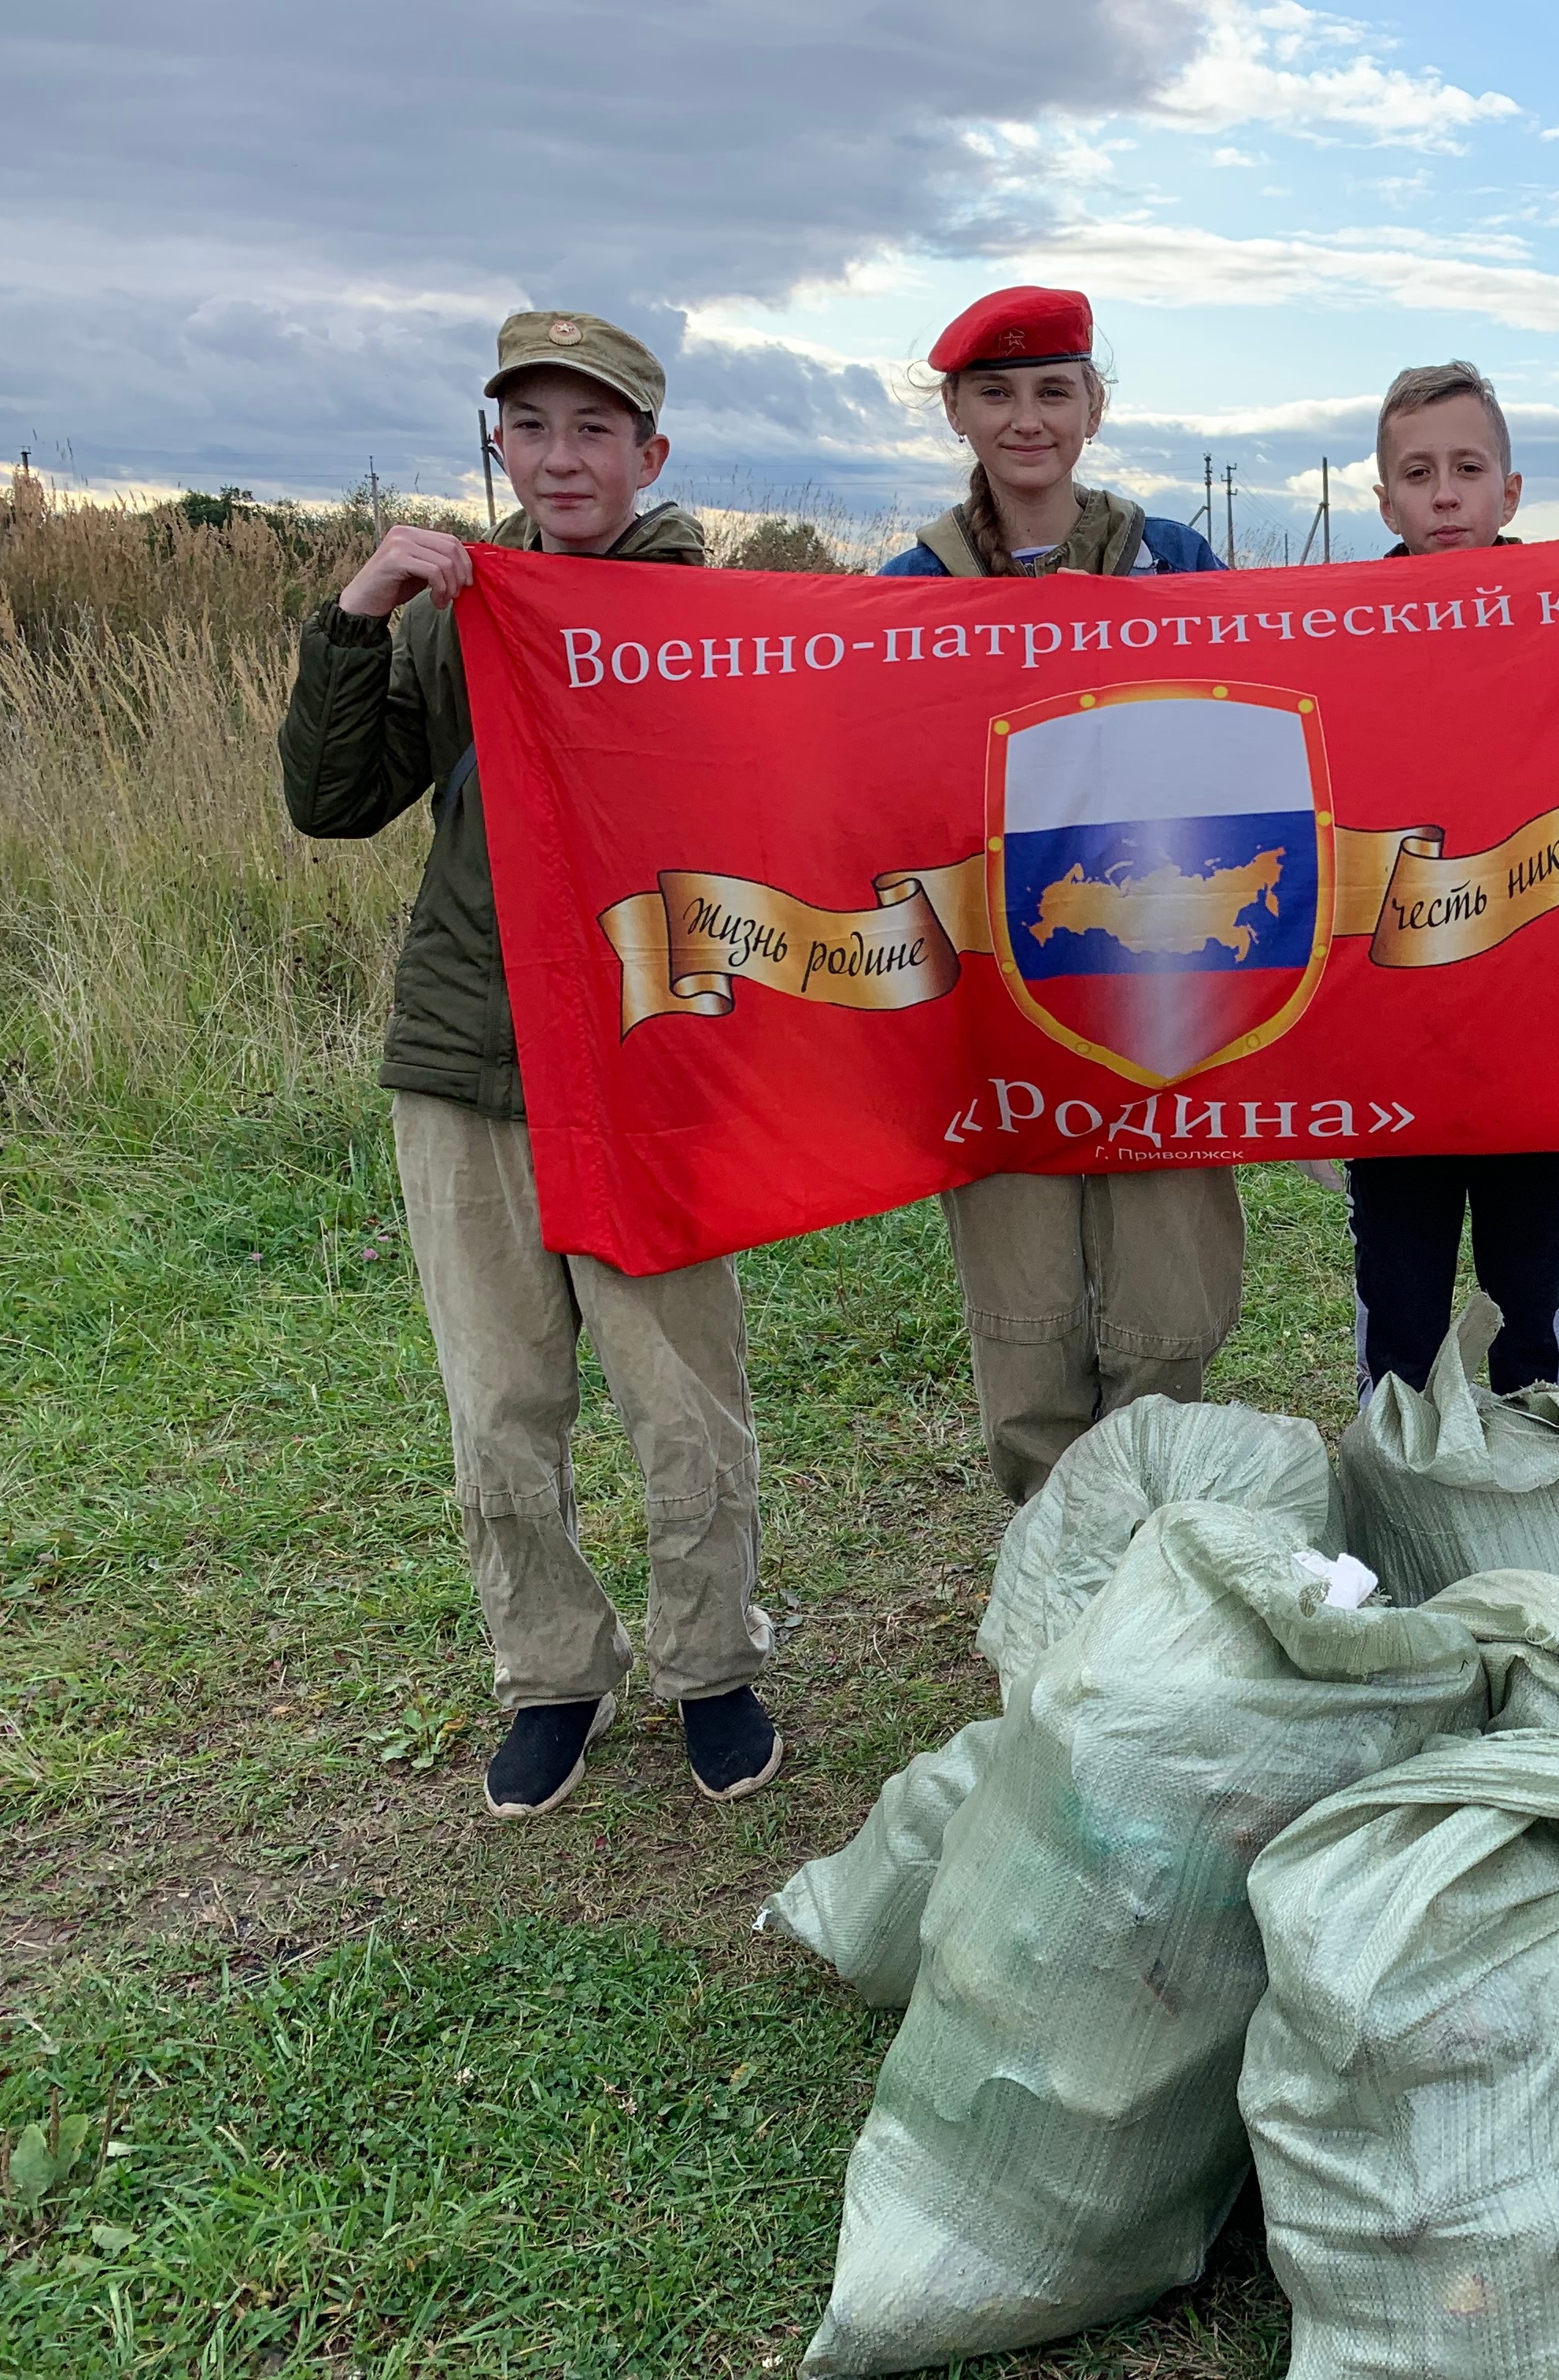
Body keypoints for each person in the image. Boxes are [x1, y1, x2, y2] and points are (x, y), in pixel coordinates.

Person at [279, 312, 782, 1820]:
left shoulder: (707, 617)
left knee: (680, 1389)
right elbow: (332, 801)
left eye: (593, 428)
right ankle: (553, 1674)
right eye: (533, 427)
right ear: (499, 443)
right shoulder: (455, 611)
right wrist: (358, 618)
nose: (561, 457)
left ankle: (713, 1664)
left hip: (649, 1053)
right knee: (501, 1397)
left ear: (651, 454)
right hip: (469, 1050)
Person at [884, 286, 1246, 1501]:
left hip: (1161, 975)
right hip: (996, 984)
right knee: (1023, 1290)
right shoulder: (906, 587)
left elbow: (1252, 732)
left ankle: (1153, 1545)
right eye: (996, 392)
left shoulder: (1173, 558)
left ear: (1093, 406)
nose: (1025, 419)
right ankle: (1048, 1545)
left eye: (1053, 391)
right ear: (956, 412)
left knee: (1167, 1290)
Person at [1343, 360, 1559, 1397]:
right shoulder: (1338, 638)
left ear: (1511, 490)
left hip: (1540, 1042)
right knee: (1399, 1319)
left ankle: (1540, 1513)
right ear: (1385, 498)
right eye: (1417, 472)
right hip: (1393, 1038)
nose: (1444, 494)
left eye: (1467, 467)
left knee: (1530, 1318)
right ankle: (1396, 1523)